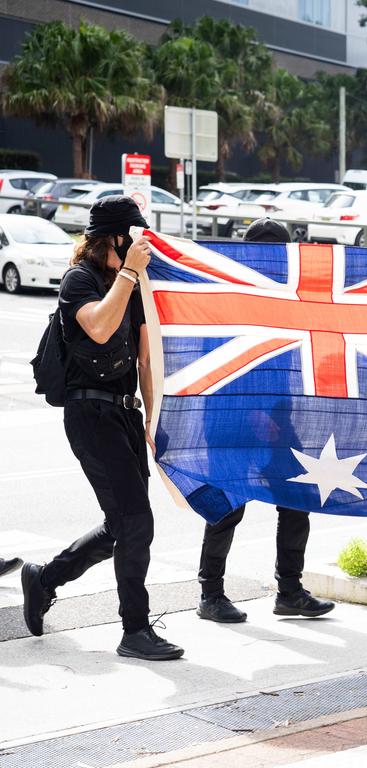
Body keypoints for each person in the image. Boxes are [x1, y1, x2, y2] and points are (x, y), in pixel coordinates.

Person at [20, 196, 183, 661]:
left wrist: (154, 421)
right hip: (90, 415)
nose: (141, 243)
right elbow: (96, 326)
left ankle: (44, 578)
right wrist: (130, 274)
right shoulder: (81, 280)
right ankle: (134, 630)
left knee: (121, 527)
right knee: (136, 523)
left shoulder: (128, 283)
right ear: (115, 237)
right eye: (134, 235)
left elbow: (147, 359)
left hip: (125, 416)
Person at [195, 218, 335, 624]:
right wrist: (255, 414)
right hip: (229, 418)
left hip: (277, 418)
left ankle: (289, 591)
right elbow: (221, 364)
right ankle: (210, 595)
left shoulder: (287, 294)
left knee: (296, 500)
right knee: (226, 506)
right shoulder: (228, 296)